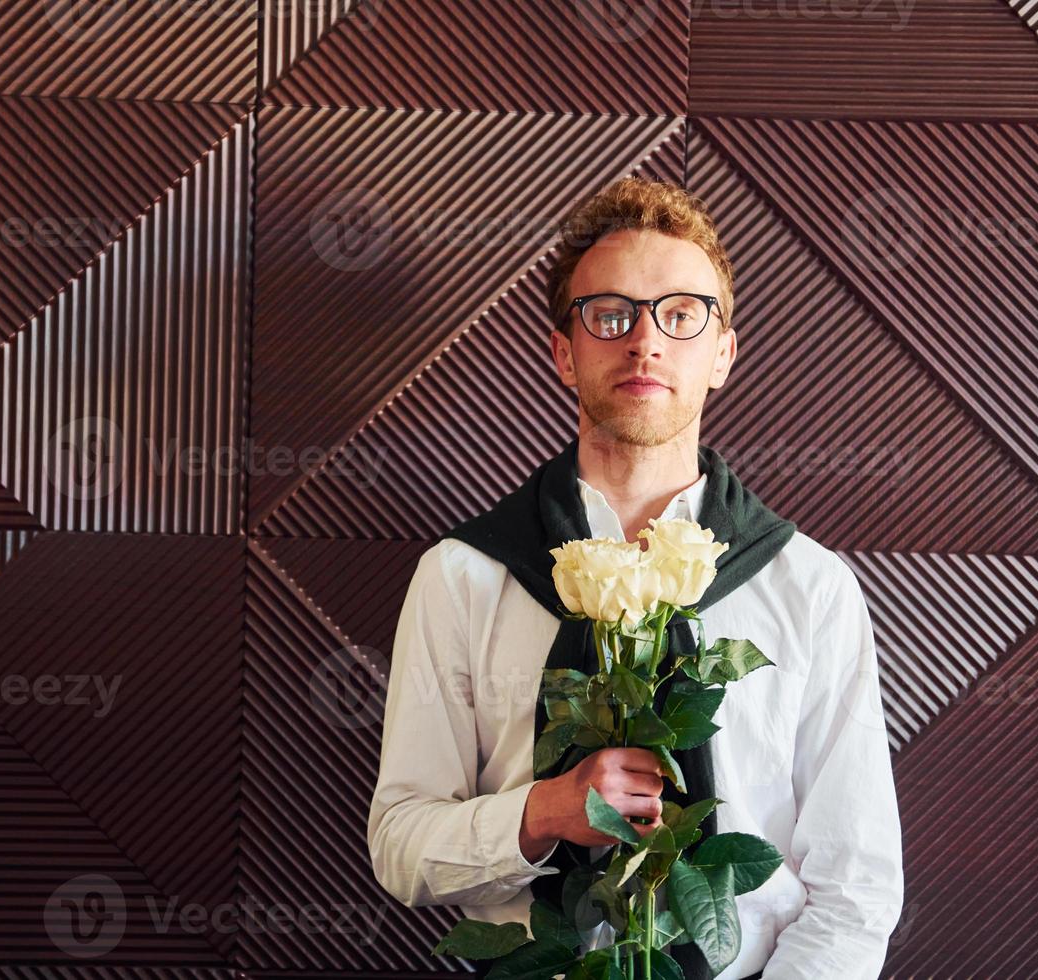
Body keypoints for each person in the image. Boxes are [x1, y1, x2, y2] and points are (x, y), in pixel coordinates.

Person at [365, 176, 904, 979]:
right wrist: (543, 811)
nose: (645, 342)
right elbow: (401, 847)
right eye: (610, 314)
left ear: (723, 352)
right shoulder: (461, 578)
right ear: (563, 351)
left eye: (681, 315)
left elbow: (855, 887)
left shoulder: (811, 588)